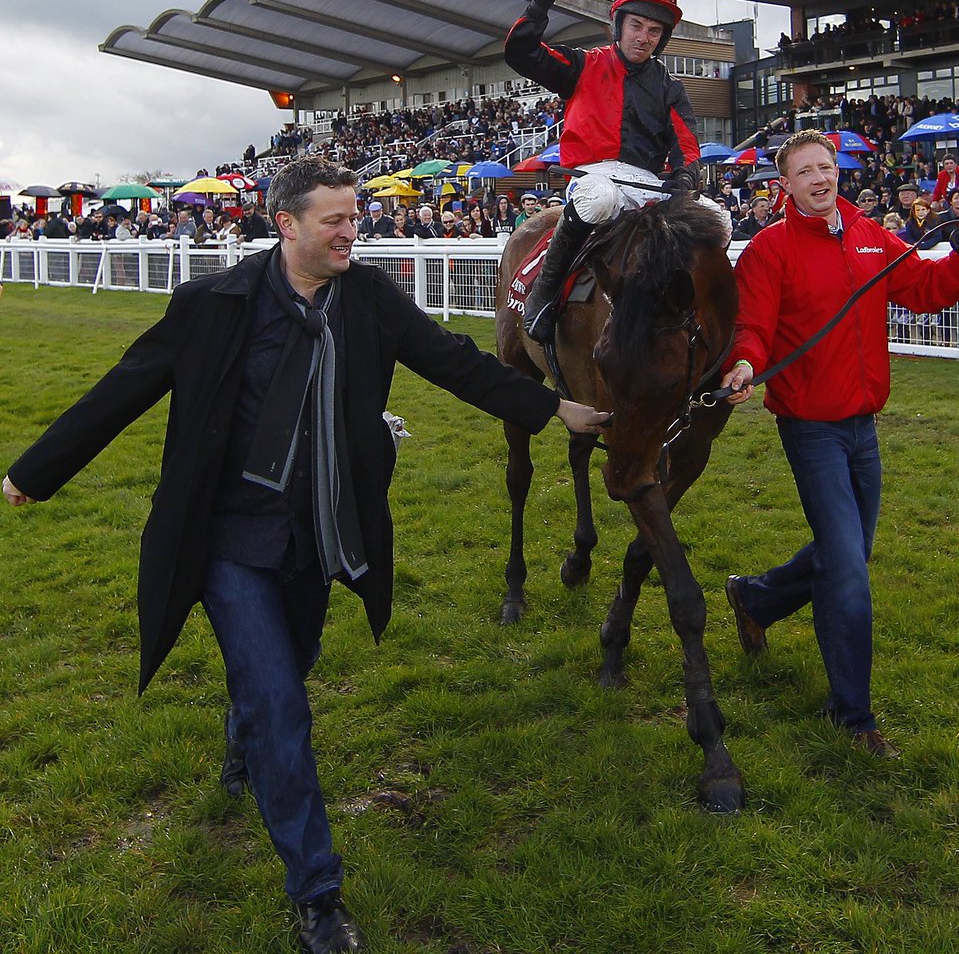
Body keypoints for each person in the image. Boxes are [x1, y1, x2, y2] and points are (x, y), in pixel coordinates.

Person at [2, 157, 609, 954]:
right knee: (285, 707)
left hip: (323, 532)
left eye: (355, 217)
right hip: (228, 539)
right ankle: (318, 894)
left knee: (287, 668)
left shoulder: (368, 300)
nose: (351, 231)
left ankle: (242, 726)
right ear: (286, 225)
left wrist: (553, 406)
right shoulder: (213, 305)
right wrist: (34, 472)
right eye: (335, 220)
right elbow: (125, 387)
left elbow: (453, 363)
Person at [718, 131, 959, 760]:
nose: (821, 178)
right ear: (783, 185)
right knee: (847, 568)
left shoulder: (869, 234)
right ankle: (853, 716)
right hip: (809, 428)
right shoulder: (768, 249)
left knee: (849, 549)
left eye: (827, 167)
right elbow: (753, 327)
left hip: (862, 426)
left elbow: (923, 290)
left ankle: (756, 596)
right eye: (805, 172)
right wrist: (742, 363)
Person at [504, 0, 725, 342]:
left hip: (650, 187)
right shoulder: (583, 64)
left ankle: (703, 321)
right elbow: (522, 54)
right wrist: (540, 4)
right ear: (619, 25)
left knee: (718, 219)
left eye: (653, 32)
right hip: (594, 179)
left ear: (662, 38)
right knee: (599, 199)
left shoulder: (669, 87)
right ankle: (543, 297)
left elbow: (686, 144)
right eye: (636, 26)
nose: (643, 38)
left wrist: (684, 177)